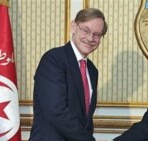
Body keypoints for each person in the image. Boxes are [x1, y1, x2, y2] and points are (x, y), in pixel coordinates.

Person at [29, 8, 108, 141]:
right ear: (74, 26)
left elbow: (85, 119)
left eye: (97, 34)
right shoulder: (53, 59)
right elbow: (56, 111)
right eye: (86, 30)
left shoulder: (92, 70)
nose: (90, 38)